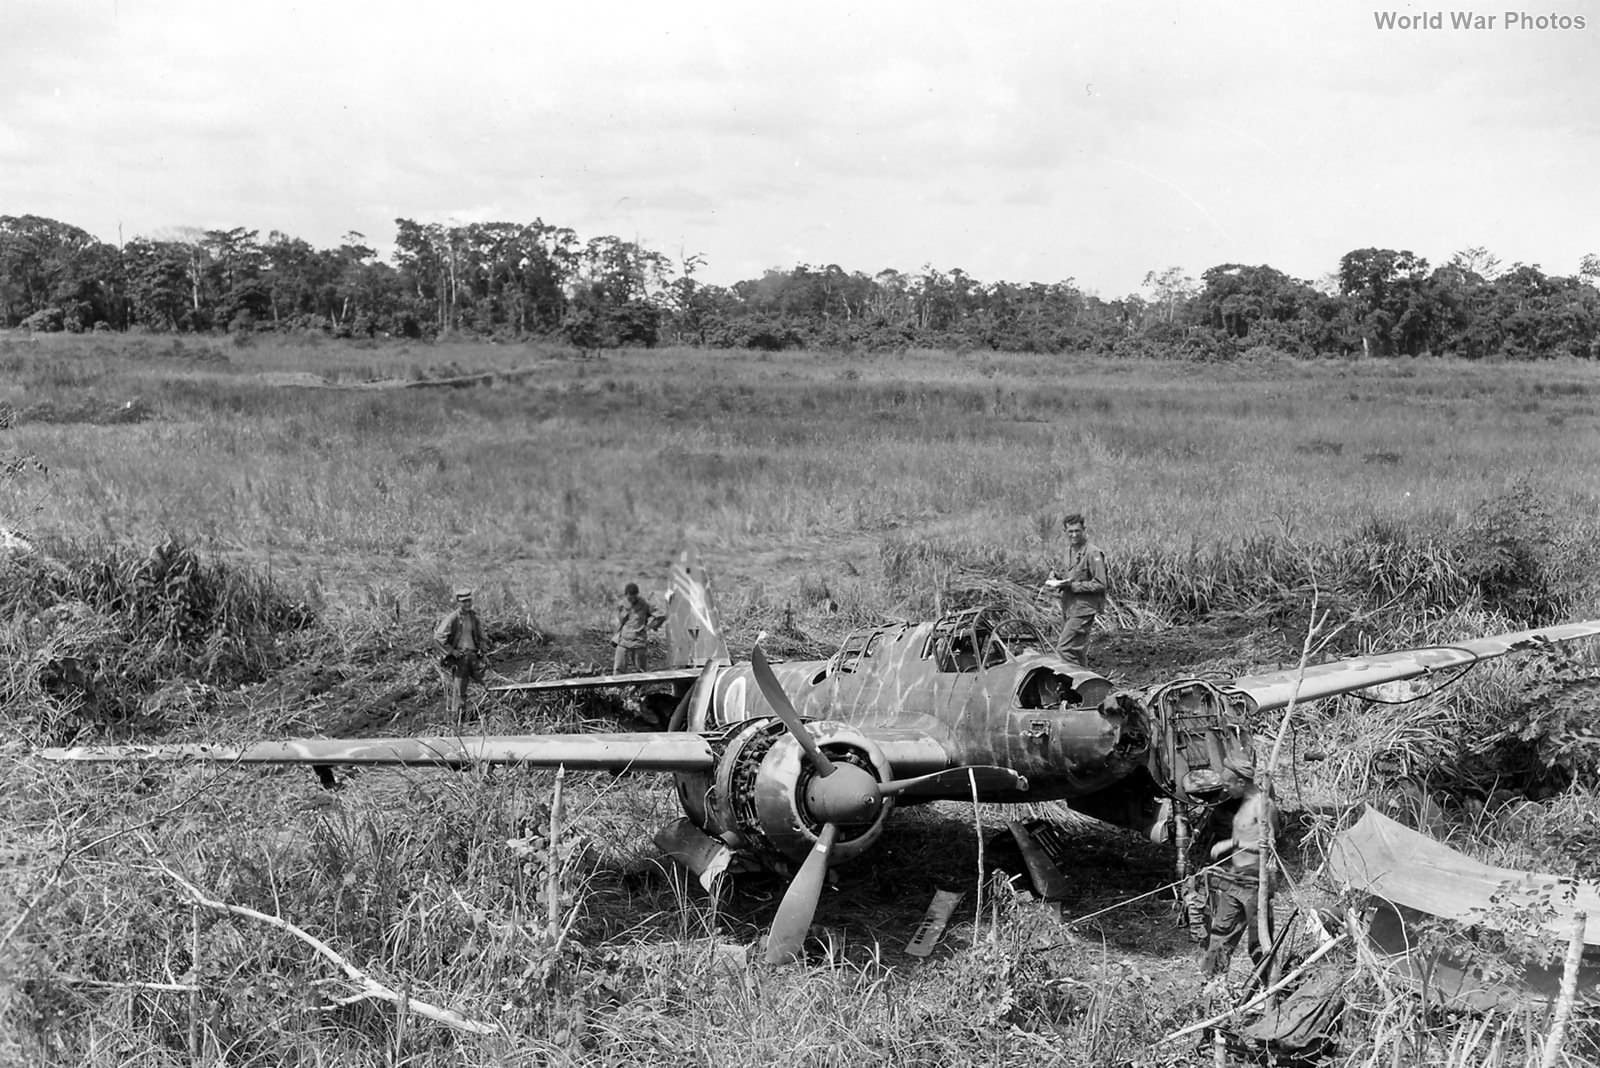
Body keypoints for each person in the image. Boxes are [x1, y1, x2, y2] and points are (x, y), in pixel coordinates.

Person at [1201, 757, 1279, 979]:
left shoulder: (1263, 805)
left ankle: (1270, 990)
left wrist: (1233, 843)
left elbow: (1269, 845)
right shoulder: (1244, 803)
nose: (1225, 790)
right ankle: (1212, 990)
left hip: (1255, 883)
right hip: (1234, 880)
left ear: (1241, 782)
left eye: (1228, 785)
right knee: (1219, 937)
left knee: (1258, 945)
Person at [1048, 512, 1108, 666]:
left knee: (1064, 648)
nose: (1074, 535)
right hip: (1069, 606)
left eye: (1077, 531)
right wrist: (1056, 578)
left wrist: (1073, 586)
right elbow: (1069, 574)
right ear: (1065, 532)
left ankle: (1073, 683)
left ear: (1084, 530)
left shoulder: (1093, 553)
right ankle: (1086, 687)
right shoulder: (1068, 551)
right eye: (1070, 531)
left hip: (1084, 608)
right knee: (1077, 650)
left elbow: (1101, 583)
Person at [434, 587, 486, 724]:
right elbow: (438, 637)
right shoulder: (453, 618)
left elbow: (481, 636)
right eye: (464, 602)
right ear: (458, 602)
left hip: (474, 656)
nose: (467, 604)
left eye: (469, 601)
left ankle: (484, 712)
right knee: (459, 690)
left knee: (486, 682)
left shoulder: (473, 617)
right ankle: (457, 720)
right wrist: (452, 651)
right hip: (461, 658)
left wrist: (482, 648)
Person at [612, 582, 666, 673]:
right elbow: (620, 622)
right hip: (623, 641)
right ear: (626, 595)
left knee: (641, 670)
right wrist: (615, 637)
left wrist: (650, 627)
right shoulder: (622, 605)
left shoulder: (644, 604)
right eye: (630, 597)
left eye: (634, 597)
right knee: (618, 669)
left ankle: (640, 687)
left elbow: (661, 615)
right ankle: (617, 686)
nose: (632, 599)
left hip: (638, 641)